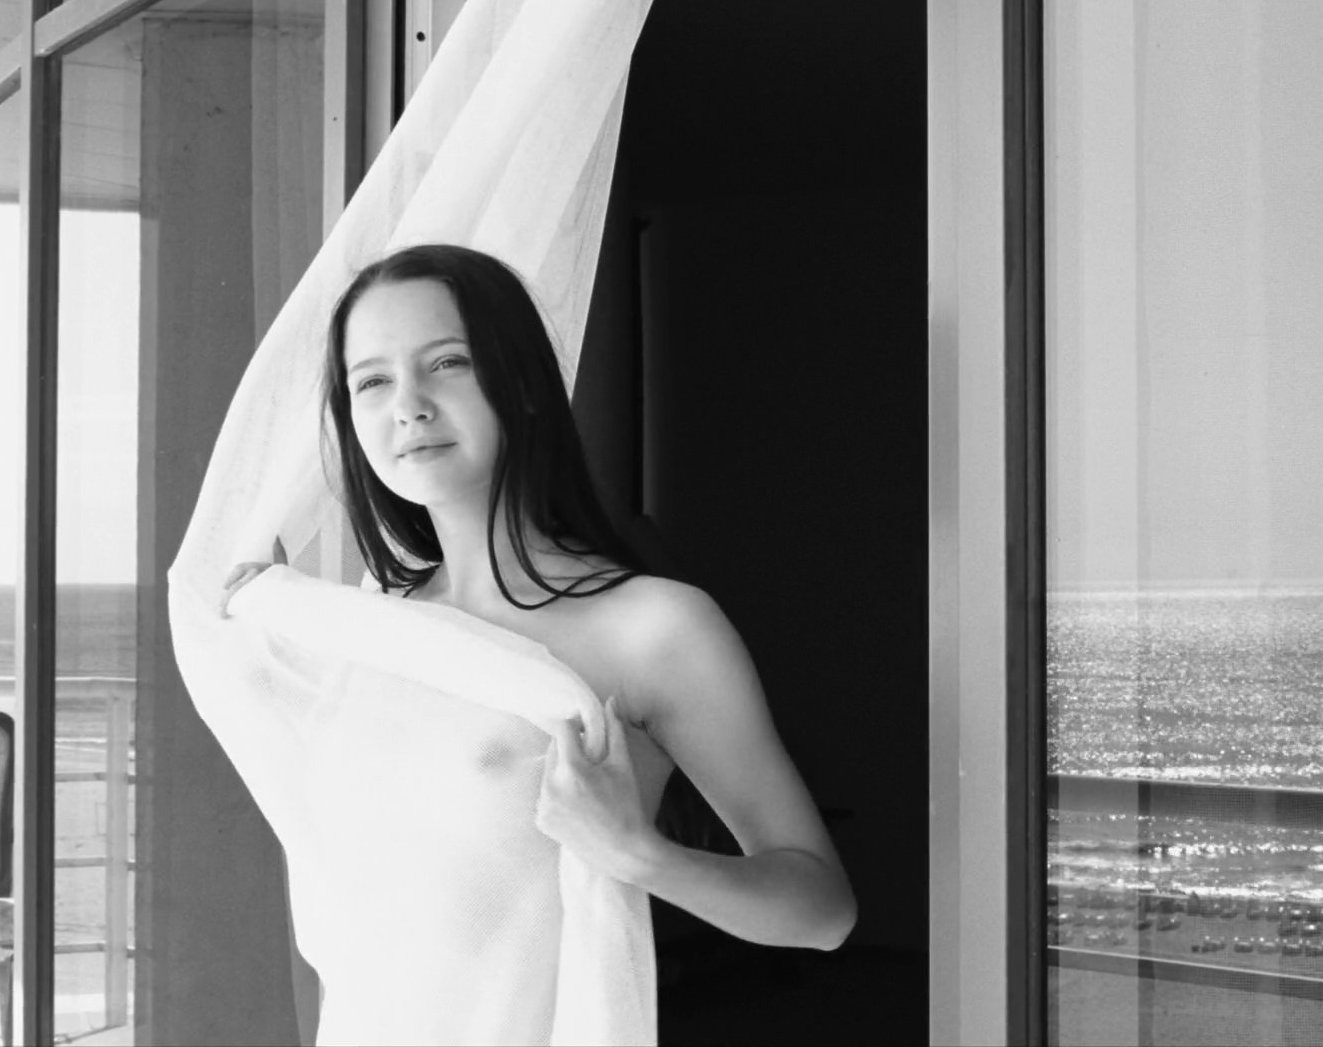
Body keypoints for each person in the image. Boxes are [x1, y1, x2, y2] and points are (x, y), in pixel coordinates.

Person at [220, 244, 855, 1043]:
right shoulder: (374, 630)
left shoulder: (651, 627)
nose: (408, 406)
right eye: (371, 381)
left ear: (521, 384)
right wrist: (266, 618)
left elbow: (822, 912)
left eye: (447, 363)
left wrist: (640, 854)